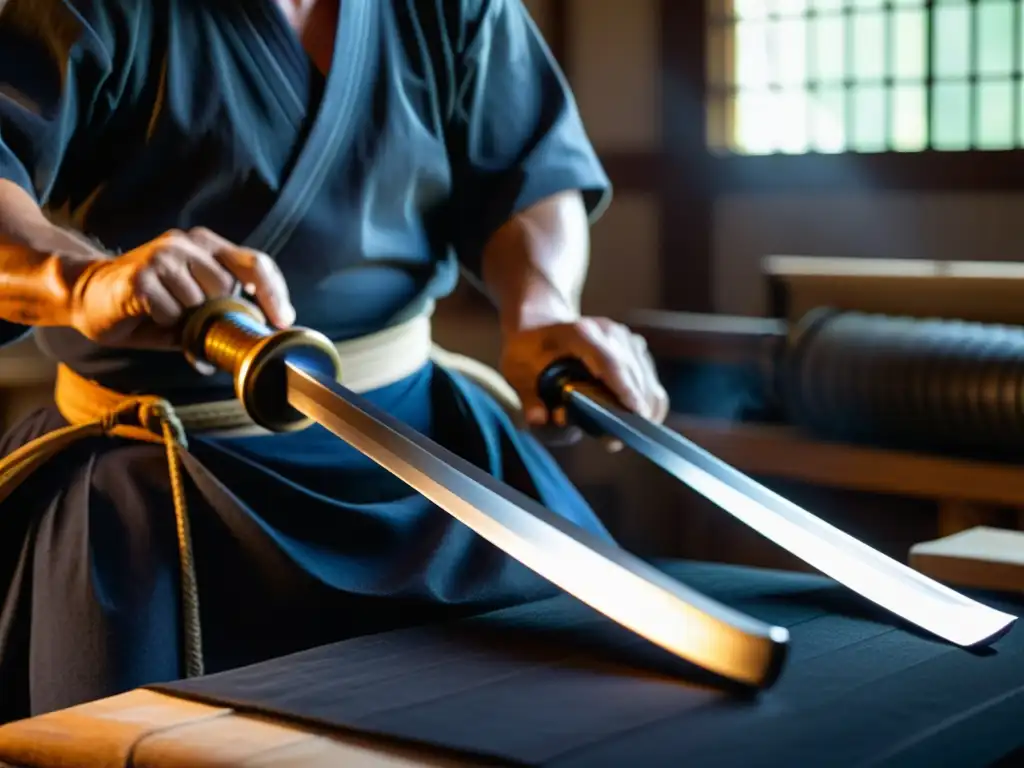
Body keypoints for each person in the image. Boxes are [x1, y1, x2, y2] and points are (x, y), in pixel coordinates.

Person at [0, 0, 669, 721]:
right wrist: (83, 279)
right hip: (161, 476)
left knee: (615, 694)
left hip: (423, 451)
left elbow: (528, 172)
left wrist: (540, 309)